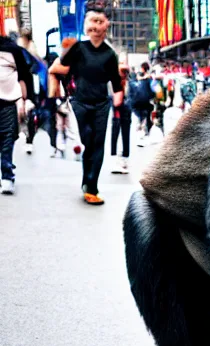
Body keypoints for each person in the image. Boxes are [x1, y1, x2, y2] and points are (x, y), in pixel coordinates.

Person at [49, 3, 123, 205]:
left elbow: (116, 84)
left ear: (106, 25)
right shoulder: (77, 48)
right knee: (87, 143)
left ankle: (92, 187)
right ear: (86, 25)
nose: (96, 26)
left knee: (98, 146)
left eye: (100, 22)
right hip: (80, 103)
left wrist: (118, 108)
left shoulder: (110, 54)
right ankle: (86, 181)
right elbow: (59, 67)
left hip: (101, 105)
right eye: (93, 21)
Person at [0, 34, 33, 194]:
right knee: (7, 138)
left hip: (9, 100)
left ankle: (6, 175)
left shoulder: (14, 50)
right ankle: (6, 175)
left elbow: (25, 75)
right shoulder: (15, 49)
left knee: (7, 137)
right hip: (10, 99)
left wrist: (26, 99)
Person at [111, 64, 131, 174]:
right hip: (123, 112)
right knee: (124, 135)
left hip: (119, 112)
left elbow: (116, 101)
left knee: (118, 136)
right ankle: (122, 160)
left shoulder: (118, 83)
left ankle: (120, 160)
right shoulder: (127, 83)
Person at [131, 62, 154, 146]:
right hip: (146, 100)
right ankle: (144, 132)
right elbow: (153, 89)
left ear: (143, 68)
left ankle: (142, 132)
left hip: (141, 100)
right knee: (145, 116)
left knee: (143, 117)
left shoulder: (142, 78)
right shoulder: (149, 77)